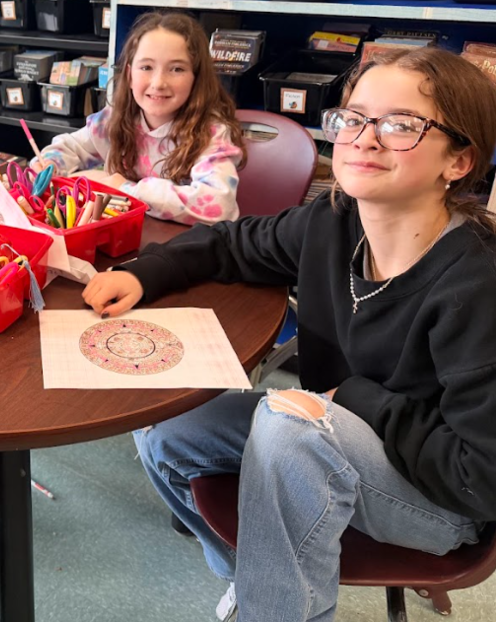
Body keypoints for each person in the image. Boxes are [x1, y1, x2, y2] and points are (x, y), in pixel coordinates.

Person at [81, 47, 496, 621]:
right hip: (325, 432)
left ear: (459, 160)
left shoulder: (476, 286)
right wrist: (139, 272)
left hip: (440, 498)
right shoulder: (332, 221)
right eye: (353, 118)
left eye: (400, 125)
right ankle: (255, 580)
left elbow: (482, 480)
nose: (364, 139)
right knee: (166, 426)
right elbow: (232, 242)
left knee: (289, 423)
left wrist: (351, 400)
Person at [30, 11, 245, 225]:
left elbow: (219, 205)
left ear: (196, 78)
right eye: (146, 67)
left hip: (182, 248)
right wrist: (50, 164)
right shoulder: (115, 118)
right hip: (130, 239)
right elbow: (72, 146)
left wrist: (124, 189)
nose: (159, 82)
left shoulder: (212, 133)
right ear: (130, 74)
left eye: (177, 69)